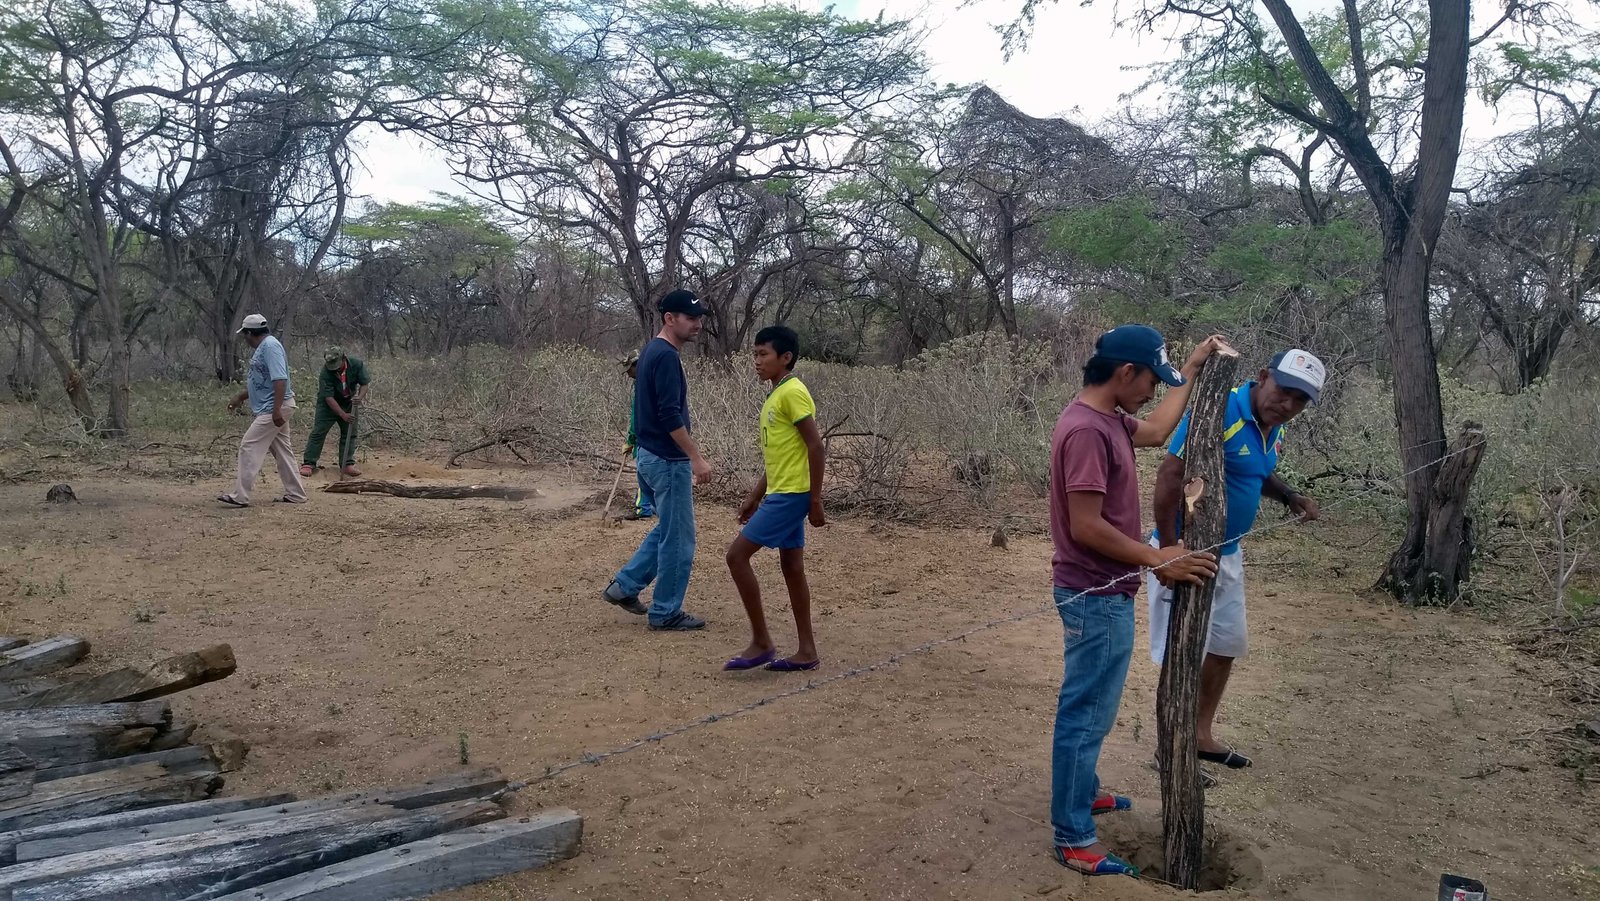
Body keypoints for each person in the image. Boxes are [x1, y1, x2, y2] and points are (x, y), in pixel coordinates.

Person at [1048, 325, 1224, 876]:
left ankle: (1084, 792)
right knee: (1087, 714)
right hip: (1094, 593)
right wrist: (1156, 558)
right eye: (1151, 380)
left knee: (1093, 709)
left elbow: (1158, 428)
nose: (1152, 391)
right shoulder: (1086, 431)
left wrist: (1190, 368)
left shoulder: (1110, 419)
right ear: (1126, 372)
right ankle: (1073, 836)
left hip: (1106, 589)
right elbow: (1085, 526)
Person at [1147, 349, 1326, 770]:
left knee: (1224, 646)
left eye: (1300, 399)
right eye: (1284, 390)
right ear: (1263, 377)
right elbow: (1170, 475)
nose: (1288, 404)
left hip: (1229, 554)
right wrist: (1168, 551)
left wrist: (1289, 496)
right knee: (1181, 654)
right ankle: (1170, 752)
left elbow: (1255, 471)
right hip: (1186, 553)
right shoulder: (1221, 410)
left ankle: (1200, 735)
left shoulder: (1273, 426)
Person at [600, 289, 714, 631]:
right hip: (667, 459)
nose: (697, 324)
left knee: (669, 529)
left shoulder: (651, 350)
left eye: (699, 318)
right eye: (690, 318)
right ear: (669, 318)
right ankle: (665, 612)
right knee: (679, 540)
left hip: (650, 456)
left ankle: (625, 586)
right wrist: (696, 458)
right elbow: (669, 415)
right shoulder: (665, 356)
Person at [723, 326, 826, 673]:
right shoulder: (775, 394)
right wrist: (755, 495)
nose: (757, 361)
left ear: (786, 357)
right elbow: (781, 456)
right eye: (754, 354)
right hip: (781, 491)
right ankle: (807, 651)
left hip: (792, 495)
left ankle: (762, 641)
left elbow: (815, 446)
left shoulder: (792, 393)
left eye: (763, 354)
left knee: (737, 557)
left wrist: (815, 500)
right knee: (792, 568)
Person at [219, 314, 306, 507]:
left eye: (245, 334)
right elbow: (261, 382)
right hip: (274, 406)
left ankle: (240, 496)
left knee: (249, 445)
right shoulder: (266, 347)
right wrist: (240, 397)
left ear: (250, 333)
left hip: (274, 407)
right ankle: (296, 494)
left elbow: (280, 379)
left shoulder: (270, 347)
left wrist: (276, 410)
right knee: (282, 450)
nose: (245, 338)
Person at [301, 347, 370, 478]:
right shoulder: (325, 372)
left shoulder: (357, 365)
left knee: (350, 433)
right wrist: (342, 414)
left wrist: (359, 398)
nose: (334, 368)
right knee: (318, 432)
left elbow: (364, 384)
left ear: (344, 358)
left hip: (349, 402)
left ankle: (347, 464)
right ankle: (309, 463)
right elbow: (328, 397)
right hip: (327, 405)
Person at [620, 354, 655, 520]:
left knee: (643, 474)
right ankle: (653, 506)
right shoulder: (653, 380)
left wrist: (631, 440)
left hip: (646, 438)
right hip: (657, 437)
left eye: (629, 370)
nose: (628, 374)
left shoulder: (643, 386)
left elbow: (637, 416)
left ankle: (643, 508)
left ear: (636, 365)